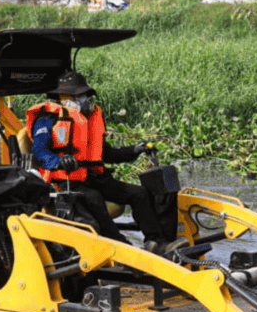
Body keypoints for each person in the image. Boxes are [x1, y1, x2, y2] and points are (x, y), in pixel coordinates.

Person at [26, 70, 177, 251]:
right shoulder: (47, 119)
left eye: (84, 95)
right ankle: (122, 248)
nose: (84, 100)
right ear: (63, 97)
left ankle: (156, 242)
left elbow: (105, 153)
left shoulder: (90, 119)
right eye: (78, 96)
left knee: (139, 194)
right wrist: (59, 161)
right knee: (94, 198)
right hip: (66, 183)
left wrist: (133, 150)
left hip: (95, 179)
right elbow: (40, 151)